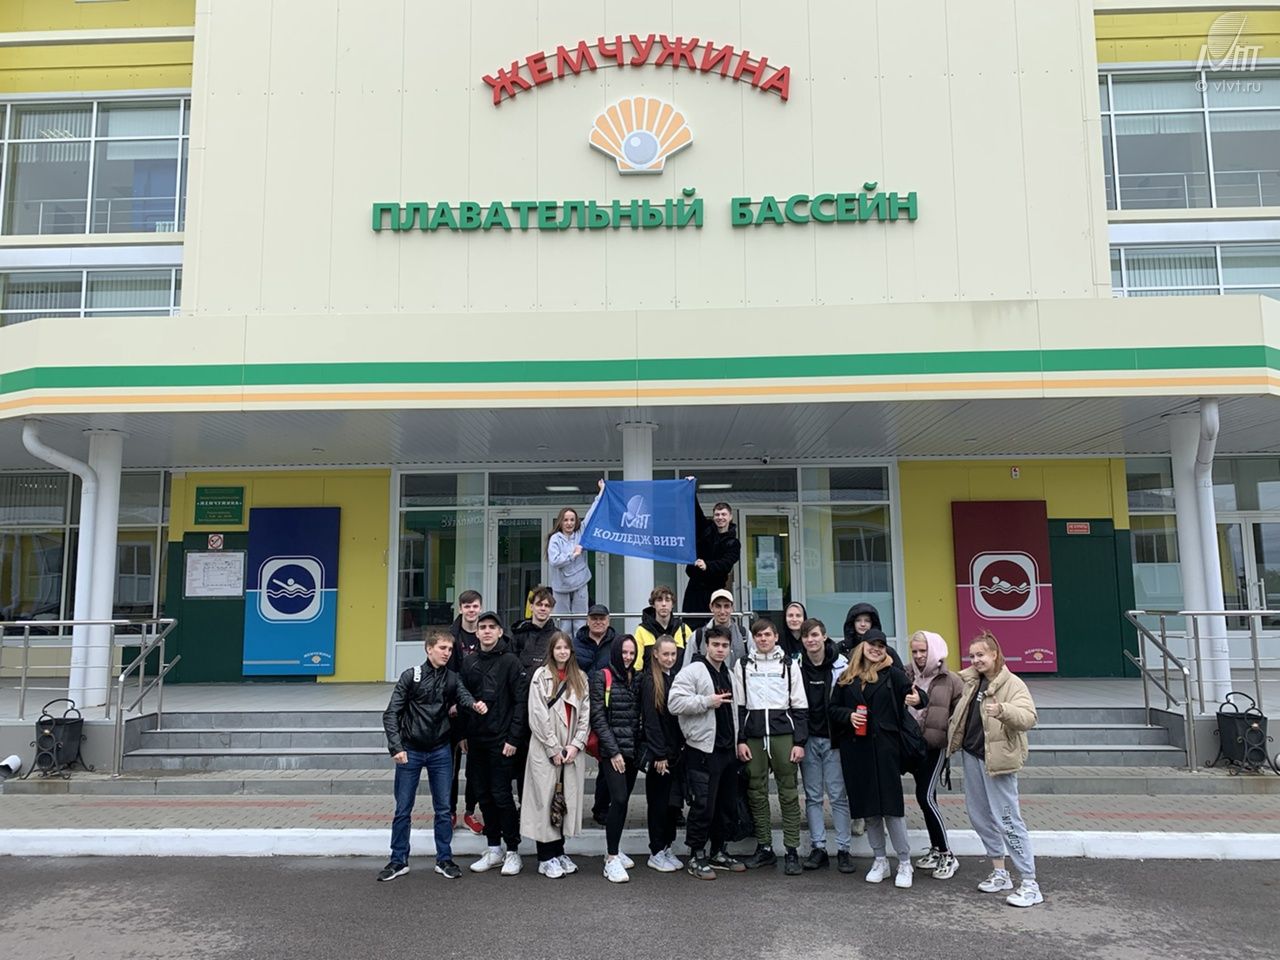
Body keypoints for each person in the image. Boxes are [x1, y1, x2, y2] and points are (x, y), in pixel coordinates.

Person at [378, 629, 486, 883]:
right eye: (442, 648)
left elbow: (463, 695)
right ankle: (398, 860)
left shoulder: (452, 678)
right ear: (429, 649)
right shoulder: (411, 676)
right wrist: (396, 747)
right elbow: (391, 713)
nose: (447, 653)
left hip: (440, 751)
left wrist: (474, 704)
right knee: (403, 809)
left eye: (450, 649)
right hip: (410, 751)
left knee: (444, 809)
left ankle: (444, 859)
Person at [947, 630, 1042, 907]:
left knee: (1008, 820)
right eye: (972, 655)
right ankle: (1000, 873)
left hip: (999, 762)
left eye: (981, 655)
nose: (976, 660)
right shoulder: (971, 681)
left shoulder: (1012, 684)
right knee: (979, 816)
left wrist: (1003, 711)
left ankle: (1030, 883)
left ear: (995, 654)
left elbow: (1029, 718)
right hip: (972, 755)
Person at [829, 628, 925, 889]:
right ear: (862, 647)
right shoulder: (846, 677)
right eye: (872, 644)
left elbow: (917, 695)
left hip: (885, 750)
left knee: (892, 809)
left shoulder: (892, 674)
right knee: (869, 810)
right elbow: (833, 709)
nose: (876, 649)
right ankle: (880, 859)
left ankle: (904, 862)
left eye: (881, 646)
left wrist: (918, 699)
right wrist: (848, 716)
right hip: (856, 752)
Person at [733, 618, 809, 875]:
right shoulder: (743, 664)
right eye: (758, 635)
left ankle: (791, 850)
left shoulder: (789, 664)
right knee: (756, 791)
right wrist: (741, 739)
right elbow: (739, 706)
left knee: (788, 792)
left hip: (783, 735)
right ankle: (765, 847)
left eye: (767, 634)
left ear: (776, 637)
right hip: (753, 736)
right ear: (753, 639)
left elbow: (800, 705)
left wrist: (799, 742)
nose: (763, 639)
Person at [668, 625, 744, 880]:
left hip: (727, 750)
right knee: (703, 806)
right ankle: (696, 855)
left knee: (726, 806)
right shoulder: (693, 671)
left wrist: (739, 741)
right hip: (702, 750)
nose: (720, 650)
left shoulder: (730, 674)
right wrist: (706, 702)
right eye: (716, 645)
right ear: (706, 646)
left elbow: (736, 711)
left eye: (724, 645)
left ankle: (718, 851)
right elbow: (674, 703)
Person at [460, 611, 526, 877]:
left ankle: (513, 851)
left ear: (500, 632)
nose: (487, 631)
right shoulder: (469, 662)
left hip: (502, 741)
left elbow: (520, 703)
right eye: (482, 627)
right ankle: (493, 848)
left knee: (502, 795)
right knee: (484, 795)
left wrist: (514, 738)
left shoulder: (511, 662)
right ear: (476, 633)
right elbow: (463, 698)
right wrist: (463, 734)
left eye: (492, 627)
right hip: (476, 741)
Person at [521, 631, 591, 879]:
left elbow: (585, 716)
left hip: (571, 749)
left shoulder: (580, 678)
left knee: (564, 803)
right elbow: (537, 715)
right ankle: (545, 857)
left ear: (571, 651)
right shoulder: (541, 676)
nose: (562, 652)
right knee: (545, 801)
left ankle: (559, 851)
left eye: (566, 648)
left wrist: (575, 745)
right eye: (558, 648)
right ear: (551, 651)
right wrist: (553, 747)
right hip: (545, 748)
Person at [905, 629, 965, 881]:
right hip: (912, 746)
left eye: (923, 650)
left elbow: (961, 714)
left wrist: (951, 740)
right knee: (926, 798)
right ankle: (935, 848)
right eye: (915, 651)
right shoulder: (907, 674)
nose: (919, 656)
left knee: (925, 796)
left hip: (935, 746)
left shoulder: (950, 680)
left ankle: (947, 854)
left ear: (935, 650)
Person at [797, 618, 854, 873]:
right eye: (806, 636)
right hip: (808, 739)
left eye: (815, 635)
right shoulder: (796, 666)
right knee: (813, 797)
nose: (811, 640)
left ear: (824, 636)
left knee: (838, 796)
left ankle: (843, 849)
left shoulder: (842, 665)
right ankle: (818, 847)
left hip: (834, 741)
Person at [590, 634, 642, 883]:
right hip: (613, 753)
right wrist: (613, 752)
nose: (628, 657)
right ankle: (611, 859)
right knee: (619, 798)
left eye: (632, 653)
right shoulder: (602, 676)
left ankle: (615, 847)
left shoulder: (637, 678)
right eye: (624, 652)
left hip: (632, 751)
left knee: (622, 803)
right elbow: (598, 717)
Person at [640, 636, 685, 873]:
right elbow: (651, 722)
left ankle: (667, 846)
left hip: (675, 753)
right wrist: (659, 755)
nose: (669, 658)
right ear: (655, 654)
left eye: (673, 654)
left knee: (671, 805)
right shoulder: (650, 681)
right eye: (665, 654)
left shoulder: (675, 678)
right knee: (658, 804)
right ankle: (656, 851)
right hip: (660, 756)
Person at [510, 586, 559, 801]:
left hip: (547, 706)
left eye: (547, 605)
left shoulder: (556, 636)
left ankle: (546, 804)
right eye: (539, 604)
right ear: (531, 606)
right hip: (521, 704)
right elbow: (511, 667)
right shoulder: (519, 635)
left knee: (545, 758)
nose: (543, 608)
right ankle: (525, 804)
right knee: (523, 759)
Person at [448, 589, 484, 835]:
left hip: (478, 711)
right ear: (460, 609)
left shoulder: (485, 634)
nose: (471, 610)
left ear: (480, 608)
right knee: (450, 767)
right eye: (467, 606)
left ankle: (470, 812)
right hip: (453, 711)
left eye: (475, 606)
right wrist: (452, 703)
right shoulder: (451, 637)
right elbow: (445, 673)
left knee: (475, 768)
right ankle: (449, 812)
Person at [681, 492, 740, 625]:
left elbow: (726, 564)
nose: (720, 517)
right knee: (690, 624)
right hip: (695, 589)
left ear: (730, 517)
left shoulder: (733, 543)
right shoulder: (705, 530)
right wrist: (690, 490)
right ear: (713, 517)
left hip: (715, 590)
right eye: (717, 515)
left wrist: (707, 565)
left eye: (723, 514)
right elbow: (695, 512)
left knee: (714, 627)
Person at [547, 506, 590, 636]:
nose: (569, 523)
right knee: (562, 623)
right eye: (566, 520)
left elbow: (591, 515)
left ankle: (580, 646)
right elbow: (554, 560)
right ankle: (563, 646)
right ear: (560, 522)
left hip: (580, 583)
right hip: (561, 587)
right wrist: (573, 555)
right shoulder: (555, 539)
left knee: (581, 620)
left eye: (572, 520)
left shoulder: (580, 533)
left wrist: (600, 496)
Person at [682, 589, 750, 669]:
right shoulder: (698, 636)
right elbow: (686, 668)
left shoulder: (744, 635)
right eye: (718, 606)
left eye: (726, 606)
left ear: (732, 608)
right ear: (711, 607)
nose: (722, 611)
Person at [633, 585, 693, 670]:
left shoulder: (684, 630)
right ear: (653, 604)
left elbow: (692, 662)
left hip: (679, 678)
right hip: (650, 678)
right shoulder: (642, 630)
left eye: (667, 600)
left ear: (672, 604)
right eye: (659, 600)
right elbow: (637, 667)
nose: (664, 604)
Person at [573, 603, 617, 675]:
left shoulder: (617, 643)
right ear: (587, 621)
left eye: (602, 619)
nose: (598, 622)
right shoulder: (575, 644)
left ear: (608, 621)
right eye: (594, 619)